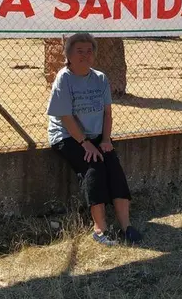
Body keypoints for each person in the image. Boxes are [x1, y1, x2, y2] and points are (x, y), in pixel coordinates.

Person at [46, 33, 142, 246]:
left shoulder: (100, 78)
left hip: (96, 135)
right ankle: (100, 229)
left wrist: (106, 140)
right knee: (94, 167)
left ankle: (127, 226)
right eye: (79, 51)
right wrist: (85, 143)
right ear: (69, 55)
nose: (85, 55)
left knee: (113, 167)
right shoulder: (64, 78)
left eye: (89, 51)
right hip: (67, 135)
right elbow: (66, 117)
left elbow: (108, 113)